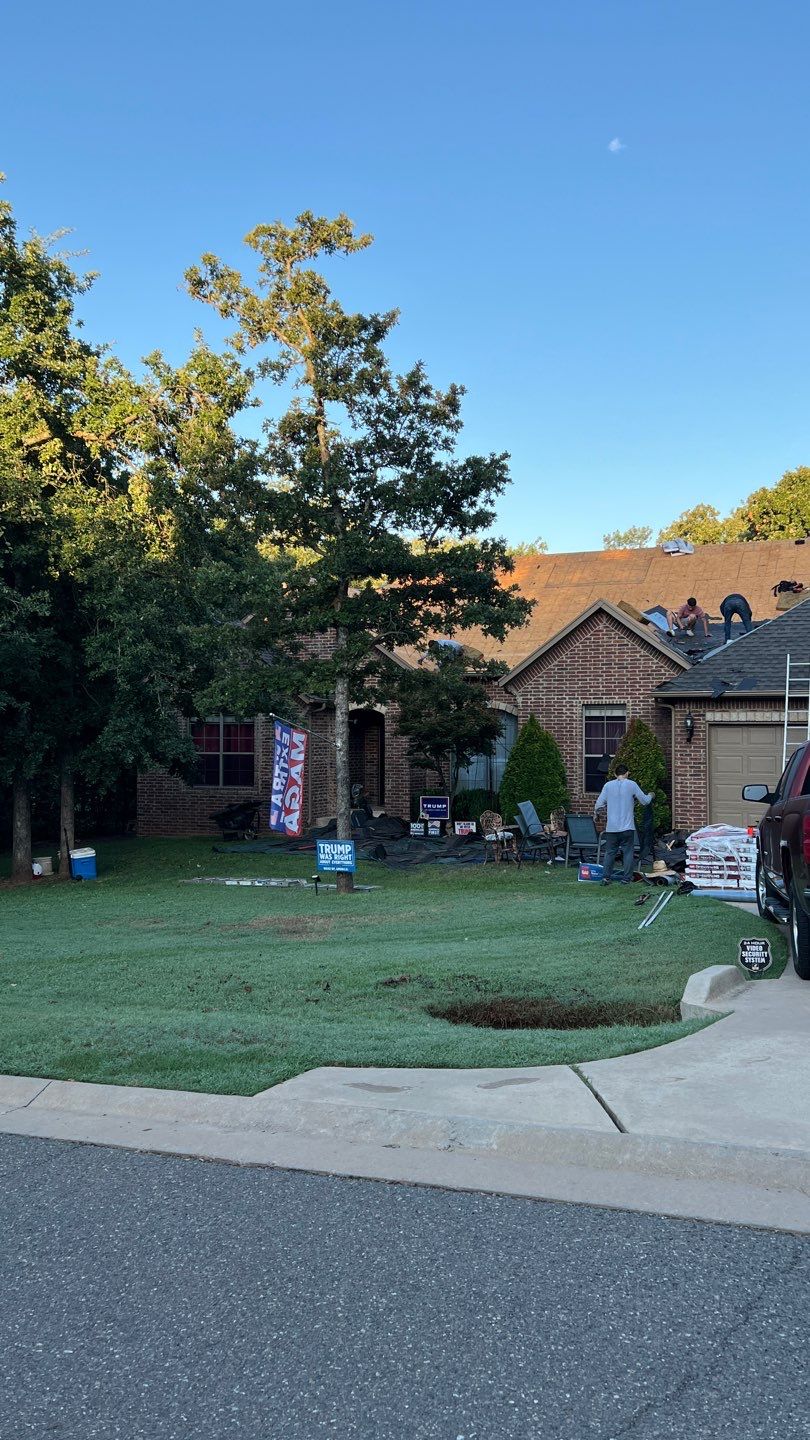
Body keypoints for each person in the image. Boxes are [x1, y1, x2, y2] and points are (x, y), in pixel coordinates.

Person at [594, 764, 654, 886]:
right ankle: (626, 879)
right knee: (628, 852)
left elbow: (599, 804)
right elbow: (644, 801)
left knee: (610, 852)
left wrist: (596, 814)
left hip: (611, 828)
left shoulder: (608, 785)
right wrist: (651, 795)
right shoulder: (631, 784)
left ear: (615, 774)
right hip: (627, 827)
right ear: (627, 773)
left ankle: (606, 878)